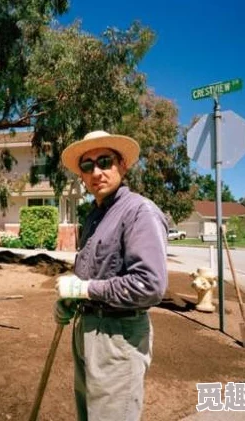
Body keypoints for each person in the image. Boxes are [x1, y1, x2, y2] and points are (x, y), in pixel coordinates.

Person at [54, 130, 168, 421]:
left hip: (119, 337)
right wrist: (72, 299)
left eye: (105, 161)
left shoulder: (139, 212)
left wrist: (83, 290)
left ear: (123, 165)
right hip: (88, 329)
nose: (97, 172)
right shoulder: (95, 214)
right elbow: (93, 270)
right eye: (88, 165)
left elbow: (149, 285)